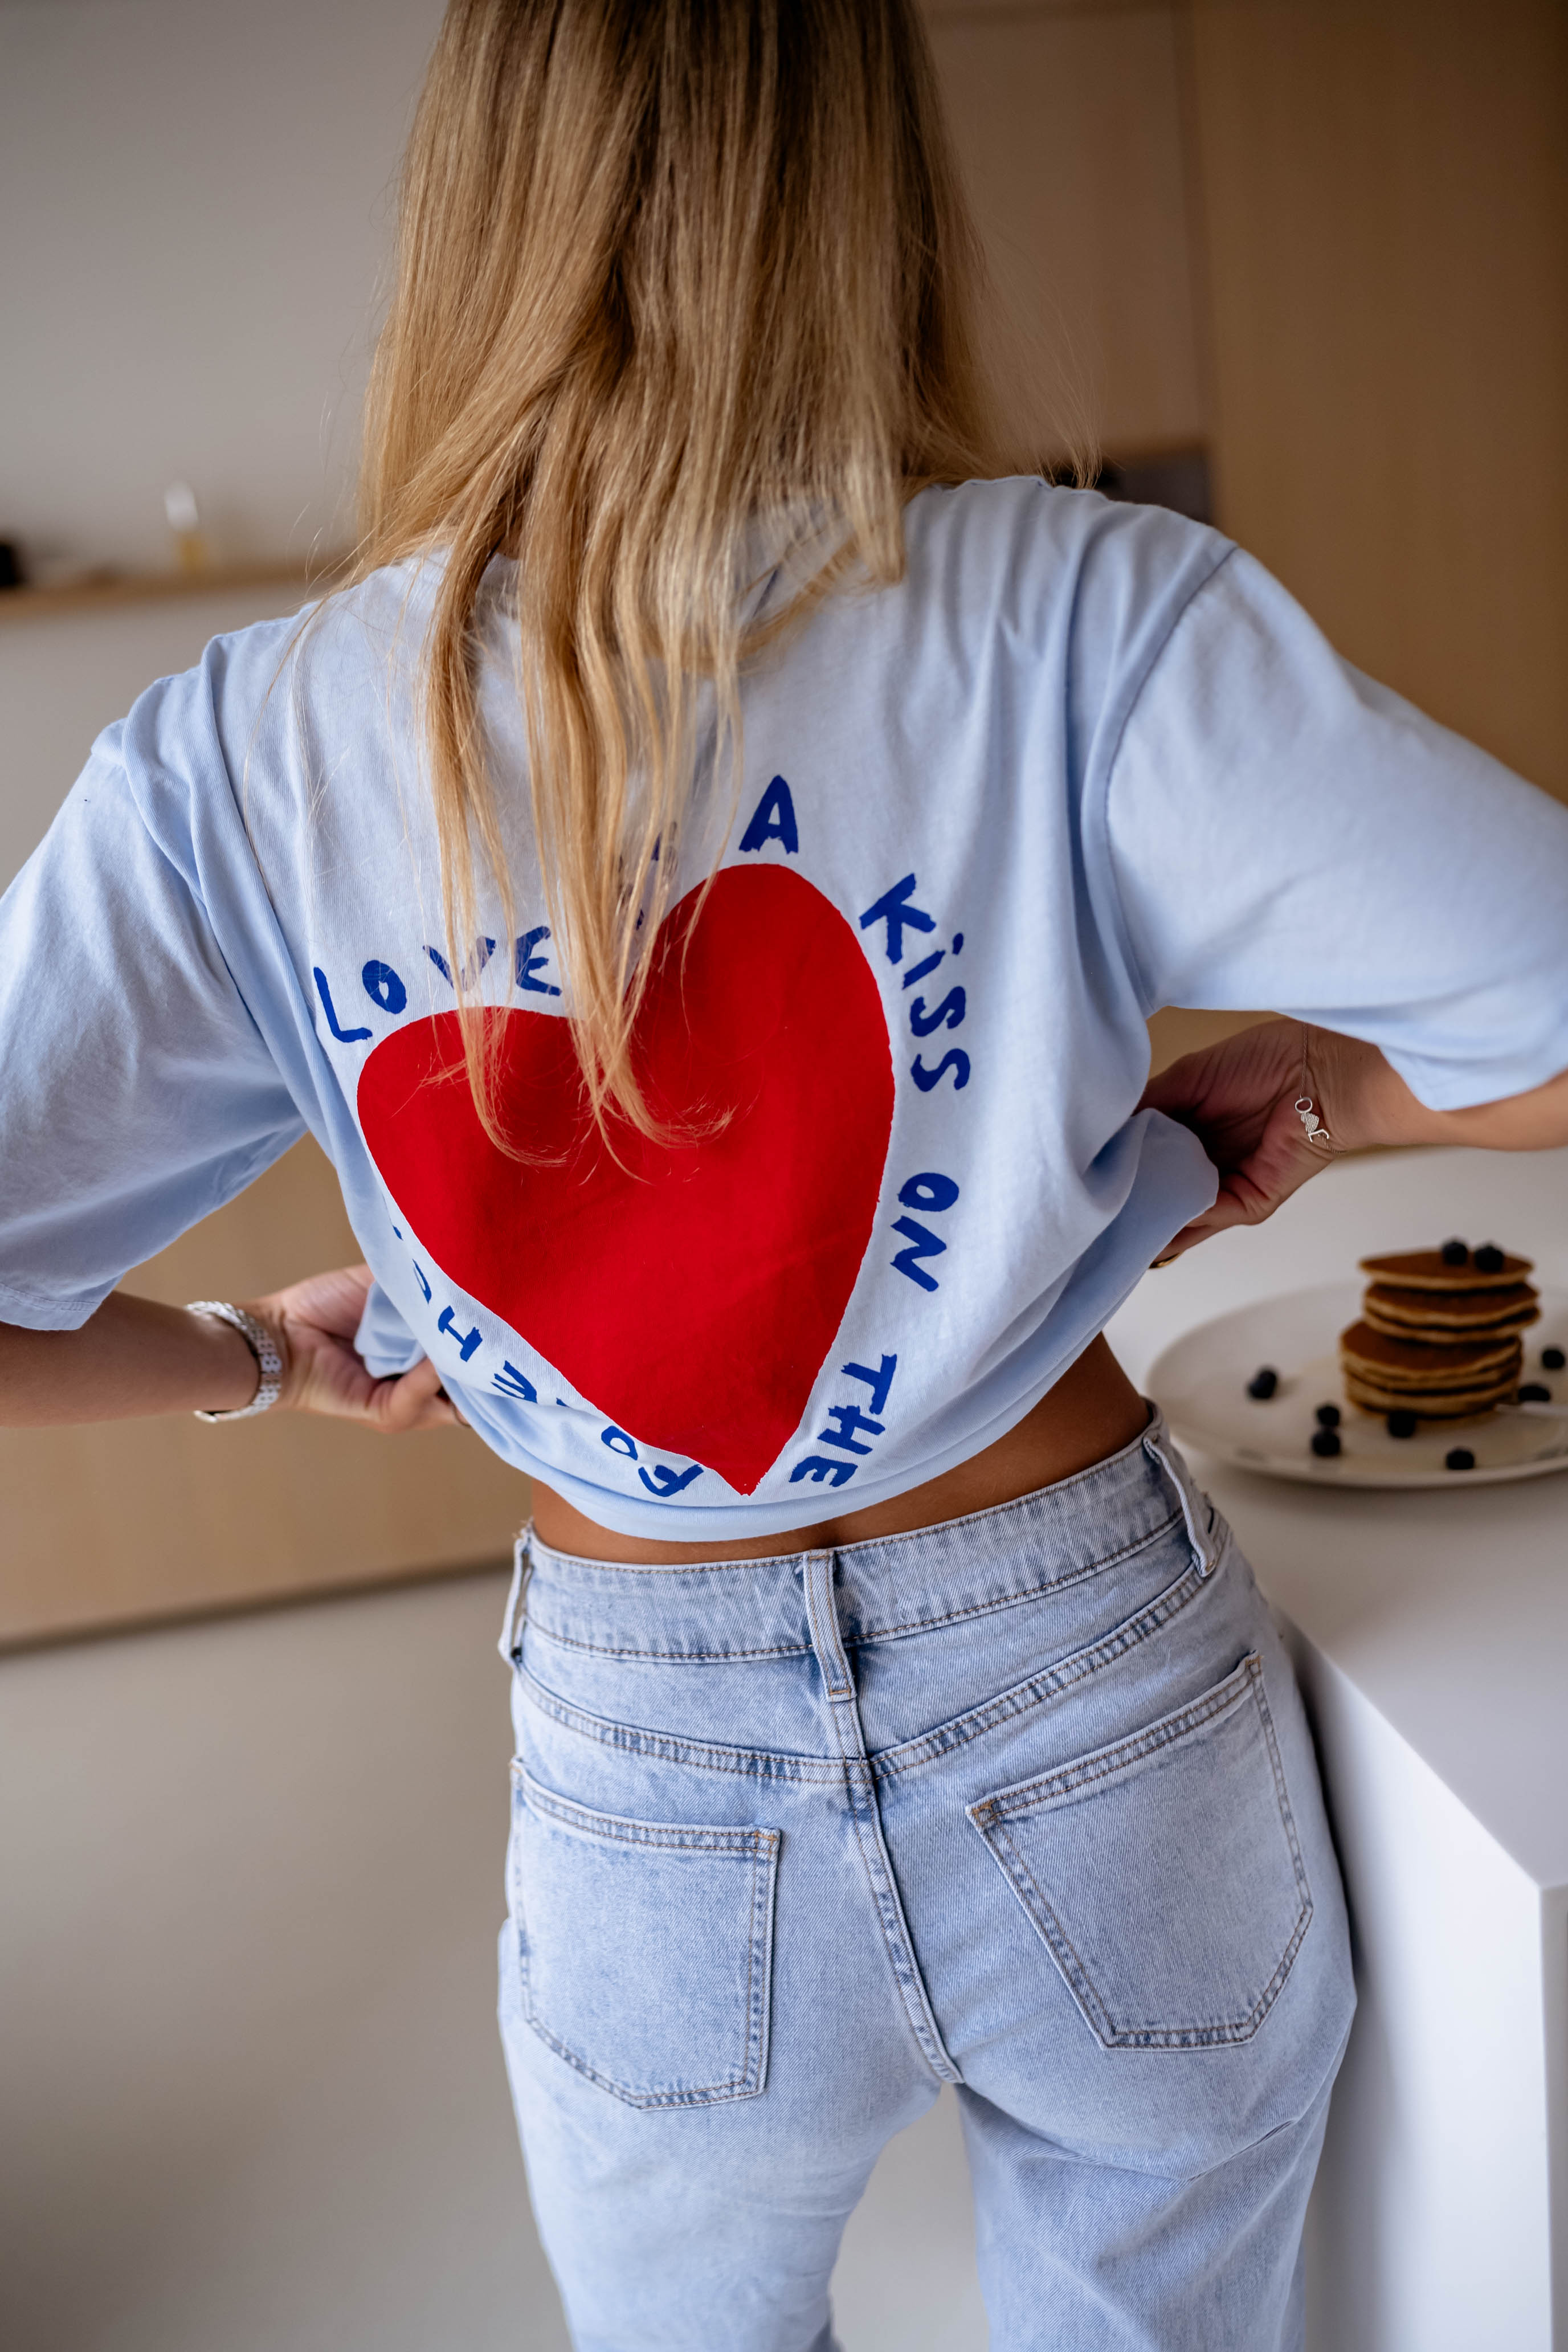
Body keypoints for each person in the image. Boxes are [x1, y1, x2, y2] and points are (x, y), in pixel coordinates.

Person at [2, 1, 1566, 2343]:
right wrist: (1318, 1098)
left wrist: (253, 1360)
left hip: (646, 1768)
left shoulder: (241, 757)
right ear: (868, 191)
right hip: (1098, 1690)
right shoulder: (1083, 612)